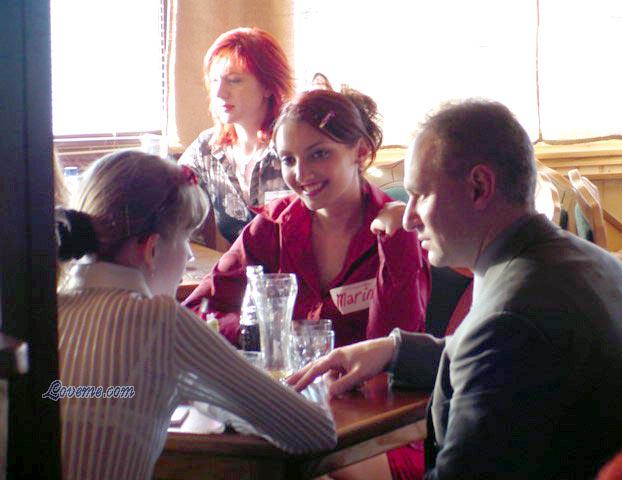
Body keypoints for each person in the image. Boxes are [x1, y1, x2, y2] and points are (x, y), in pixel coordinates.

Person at [289, 100, 622, 479]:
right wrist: (393, 350)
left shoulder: (508, 321)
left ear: (479, 187)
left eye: (421, 194)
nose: (408, 218)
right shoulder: (594, 263)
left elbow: (496, 350)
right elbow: (503, 363)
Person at [55, 150, 336, 480]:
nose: (189, 254)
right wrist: (313, 382)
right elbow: (316, 432)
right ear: (151, 249)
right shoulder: (160, 321)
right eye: (186, 238)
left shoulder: (46, 310)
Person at [184, 88, 430, 351]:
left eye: (319, 154)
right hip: (282, 377)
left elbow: (395, 347)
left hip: (361, 379)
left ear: (360, 152)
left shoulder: (399, 231)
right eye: (289, 160)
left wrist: (398, 243)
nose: (301, 174)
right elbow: (196, 311)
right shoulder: (271, 227)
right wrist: (260, 332)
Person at [179, 27, 294, 248]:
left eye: (234, 80)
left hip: (298, 269)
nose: (219, 93)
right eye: (214, 81)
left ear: (268, 86)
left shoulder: (294, 147)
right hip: (239, 268)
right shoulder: (207, 149)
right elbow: (170, 196)